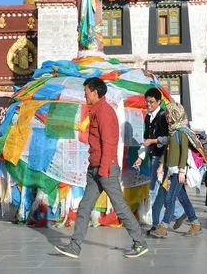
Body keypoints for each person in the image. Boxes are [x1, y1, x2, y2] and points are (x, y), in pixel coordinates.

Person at [55, 77, 148, 259]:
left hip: (106, 169)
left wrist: (104, 169)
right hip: (95, 169)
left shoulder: (104, 112)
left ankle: (140, 243)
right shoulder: (95, 111)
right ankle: (75, 247)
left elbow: (109, 143)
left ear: (95, 93)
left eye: (86, 91)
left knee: (119, 207)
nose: (84, 94)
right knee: (84, 207)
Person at [133, 88, 186, 234]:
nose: (148, 104)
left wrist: (154, 141)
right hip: (153, 156)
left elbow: (169, 139)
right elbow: (146, 140)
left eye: (151, 102)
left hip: (162, 158)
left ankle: (158, 224)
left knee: (153, 191)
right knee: (158, 190)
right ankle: (177, 212)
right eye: (147, 101)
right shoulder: (148, 117)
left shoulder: (163, 116)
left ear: (158, 102)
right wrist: (140, 156)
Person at [151, 102, 203, 238]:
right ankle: (195, 223)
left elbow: (184, 153)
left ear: (176, 114)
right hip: (171, 170)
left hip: (179, 172)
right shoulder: (172, 131)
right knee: (183, 199)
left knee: (170, 198)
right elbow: (166, 151)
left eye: (169, 113)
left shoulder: (181, 132)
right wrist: (162, 165)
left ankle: (163, 226)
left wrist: (181, 171)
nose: (167, 116)